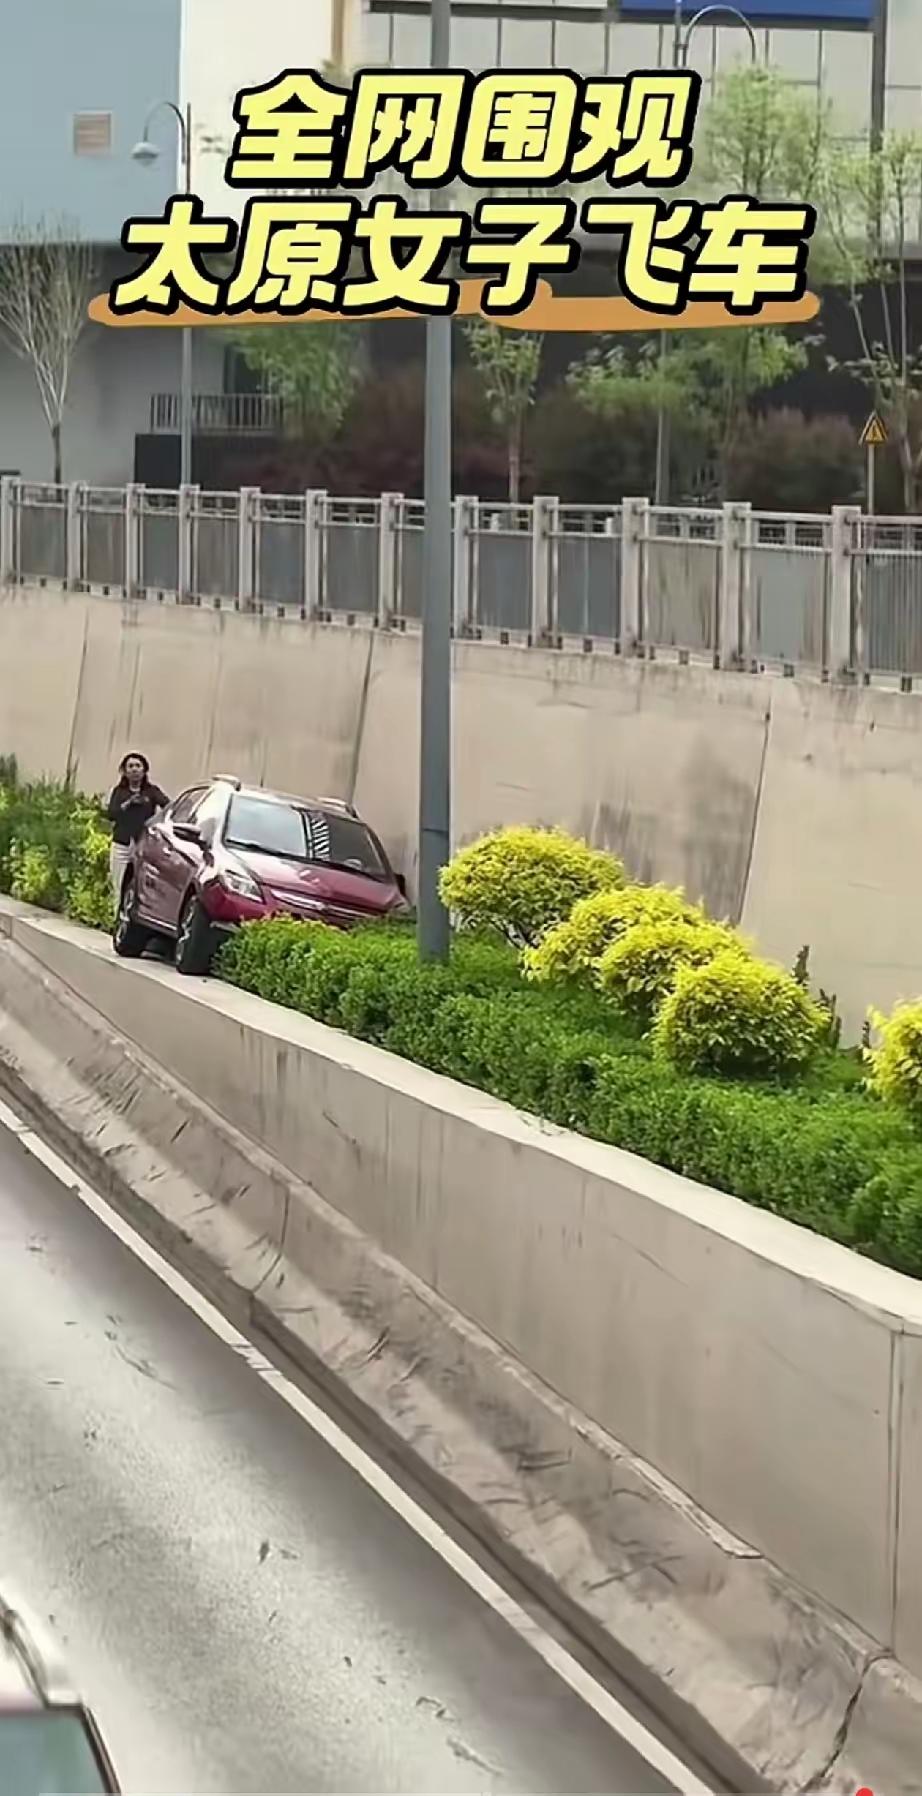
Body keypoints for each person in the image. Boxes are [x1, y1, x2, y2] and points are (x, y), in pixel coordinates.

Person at [106, 753, 169, 906]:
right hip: (122, 843)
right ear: (125, 771)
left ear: (144, 770)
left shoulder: (151, 791)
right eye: (130, 766)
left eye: (138, 766)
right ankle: (117, 914)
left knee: (140, 886)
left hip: (143, 845)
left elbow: (168, 807)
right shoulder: (119, 791)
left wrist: (157, 824)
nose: (134, 770)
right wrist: (127, 803)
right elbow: (111, 814)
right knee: (119, 884)